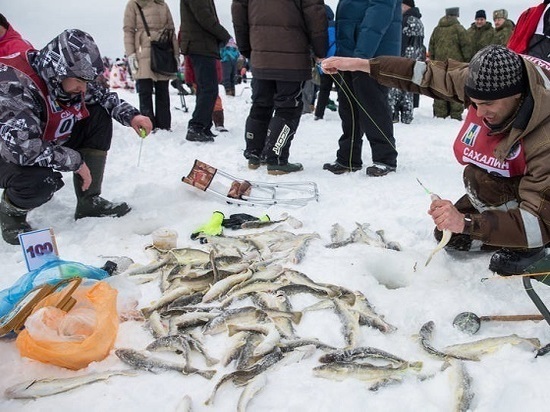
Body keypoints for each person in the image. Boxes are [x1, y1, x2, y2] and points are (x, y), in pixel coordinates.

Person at [322, 44, 550, 275]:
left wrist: (468, 223)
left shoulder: (546, 138)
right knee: (451, 236)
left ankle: (531, 249)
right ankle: (505, 227)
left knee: (482, 190)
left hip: (544, 204)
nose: (479, 114)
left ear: (517, 95)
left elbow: (540, 221)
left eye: (488, 105)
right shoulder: (489, 81)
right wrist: (364, 65)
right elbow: (427, 74)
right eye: (474, 103)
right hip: (527, 177)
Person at [0, 29, 153, 245]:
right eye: (80, 80)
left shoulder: (64, 79)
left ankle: (88, 201)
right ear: (57, 71)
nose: (83, 87)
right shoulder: (12, 84)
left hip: (37, 140)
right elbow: (23, 149)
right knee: (39, 181)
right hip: (8, 151)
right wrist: (74, 161)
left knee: (98, 114)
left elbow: (101, 95)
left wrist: (132, 116)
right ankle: (10, 213)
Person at [232, 0, 327, 175]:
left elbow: (238, 13)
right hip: (292, 56)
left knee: (261, 103)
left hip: (260, 52)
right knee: (288, 107)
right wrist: (321, 51)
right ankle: (276, 159)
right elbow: (315, 14)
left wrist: (248, 48)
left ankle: (254, 154)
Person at [323, 0, 402, 177]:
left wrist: (361, 57)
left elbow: (379, 14)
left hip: (370, 54)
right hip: (350, 52)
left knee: (373, 106)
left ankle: (385, 158)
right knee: (348, 106)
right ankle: (348, 157)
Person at [180, 0, 231, 142]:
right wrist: (225, 35)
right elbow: (205, 17)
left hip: (202, 45)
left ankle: (204, 126)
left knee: (205, 88)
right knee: (209, 89)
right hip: (201, 45)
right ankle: (196, 127)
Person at [123, 0, 178, 132]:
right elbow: (128, 30)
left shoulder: (162, 4)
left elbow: (171, 30)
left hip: (162, 49)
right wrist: (131, 54)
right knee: (145, 90)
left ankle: (164, 125)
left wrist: (176, 52)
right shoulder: (134, 4)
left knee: (162, 89)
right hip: (143, 50)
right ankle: (148, 124)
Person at [428, 7, 471, 121]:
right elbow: (466, 47)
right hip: (455, 66)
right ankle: (455, 115)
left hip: (439, 66)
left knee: (439, 87)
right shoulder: (459, 29)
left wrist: (433, 62)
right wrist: (468, 62)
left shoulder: (437, 29)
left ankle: (440, 113)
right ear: (456, 15)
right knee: (455, 88)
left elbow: (431, 47)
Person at [388, 0, 425, 125]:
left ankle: (393, 115)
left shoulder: (405, 20)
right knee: (408, 88)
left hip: (403, 60)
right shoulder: (419, 22)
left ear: (405, 6)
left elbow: (401, 41)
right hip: (415, 61)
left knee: (395, 87)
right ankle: (407, 115)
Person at [314, 4, 337, 121]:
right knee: (342, 90)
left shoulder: (320, 28)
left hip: (325, 62)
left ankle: (319, 113)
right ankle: (345, 113)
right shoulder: (337, 26)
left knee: (324, 89)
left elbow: (320, 45)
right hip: (338, 62)